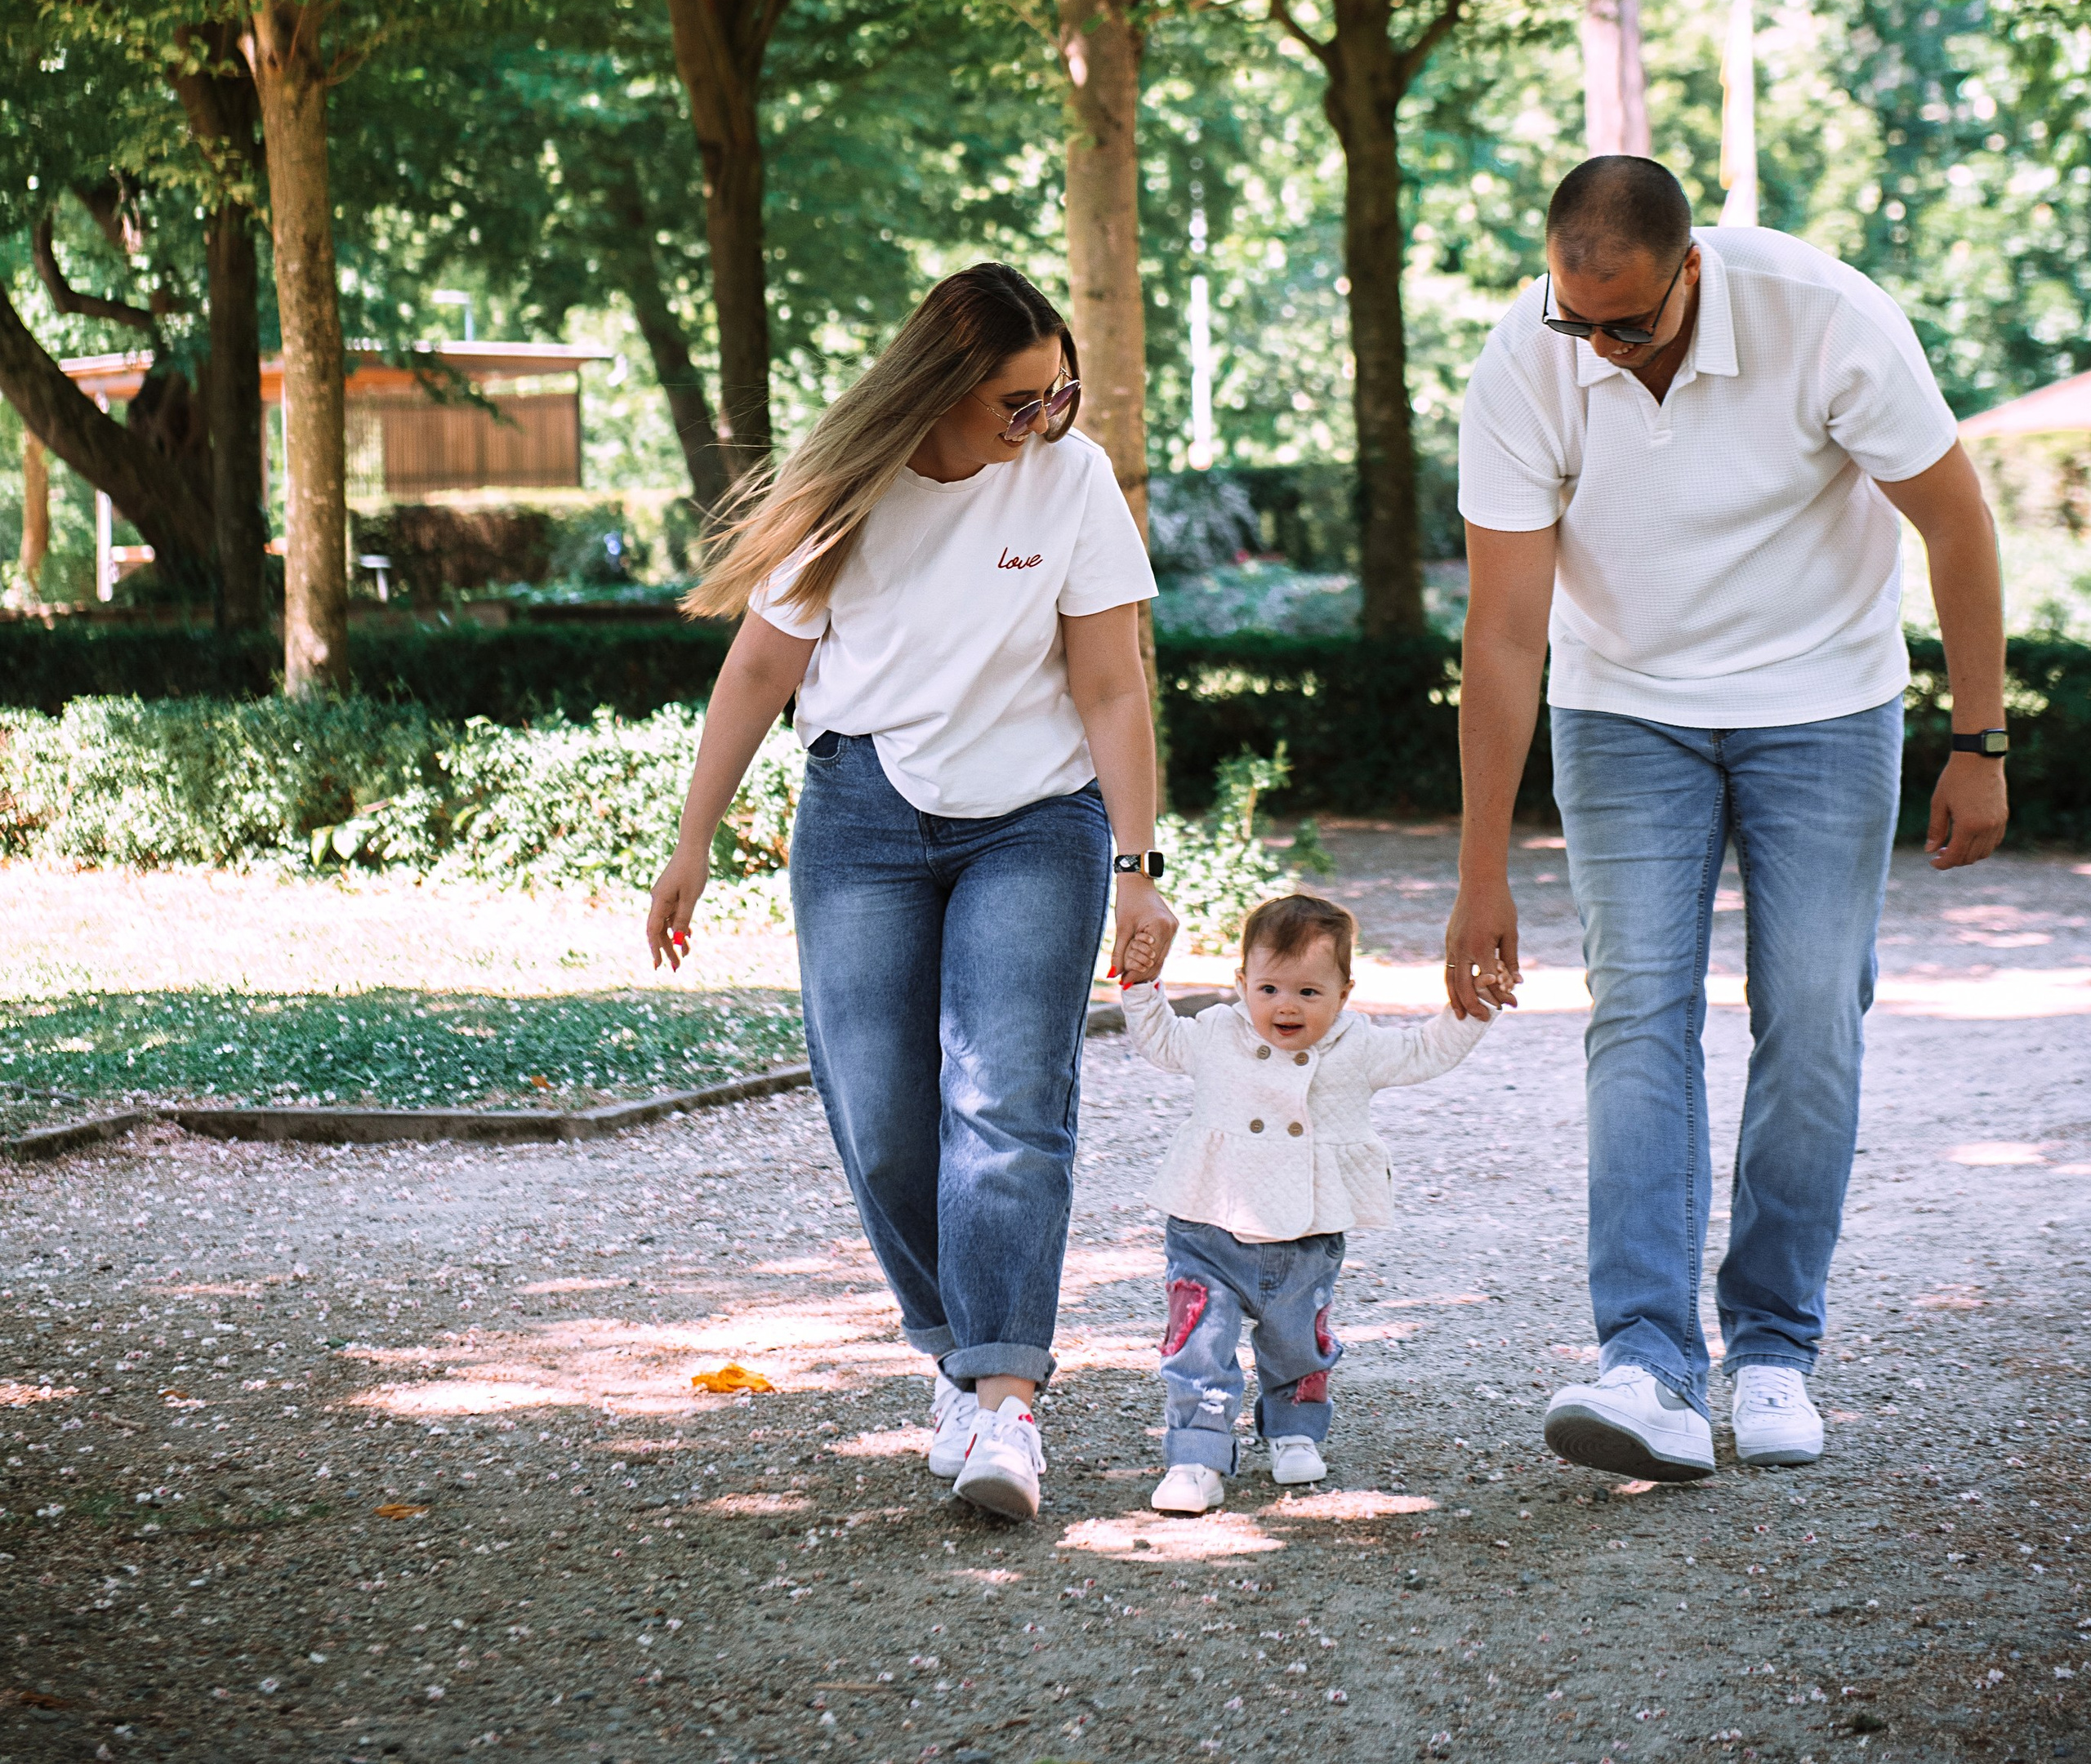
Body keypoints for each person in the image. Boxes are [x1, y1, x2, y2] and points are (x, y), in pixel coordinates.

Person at [1445, 155, 2009, 1481]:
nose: (1601, 346)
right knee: (1638, 1010)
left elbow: (1957, 519)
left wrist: (1979, 739)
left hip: (1824, 698)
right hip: (1624, 705)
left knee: (1812, 1009)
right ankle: (1646, 1362)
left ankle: (1772, 1347)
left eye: (1630, 322)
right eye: (1578, 319)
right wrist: (1480, 871)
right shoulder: (1526, 359)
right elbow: (1507, 630)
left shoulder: (1825, 316)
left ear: (1690, 270)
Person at [645, 262, 1176, 1524]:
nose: (1041, 420)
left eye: (1058, 394)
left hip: (1036, 819)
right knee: (881, 1113)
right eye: (1015, 401)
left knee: (1006, 1100)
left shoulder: (1071, 478)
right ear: (941, 388)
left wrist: (1140, 867)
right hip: (864, 817)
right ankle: (957, 1350)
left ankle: (1006, 1400)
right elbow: (759, 668)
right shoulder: (845, 488)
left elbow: (1112, 683)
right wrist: (692, 839)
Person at [1121, 891, 1492, 1515]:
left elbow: (1426, 1049)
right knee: (1197, 1343)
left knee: (1298, 1342)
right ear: (1241, 982)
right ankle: (1195, 1455)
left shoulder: (1357, 1044)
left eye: (1309, 992)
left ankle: (1294, 1430)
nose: (1285, 1005)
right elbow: (1159, 1040)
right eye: (1268, 988)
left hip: (1307, 1233)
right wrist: (1140, 982)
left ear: (1344, 993)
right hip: (1210, 1223)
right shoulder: (1217, 1032)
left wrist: (1477, 1006)